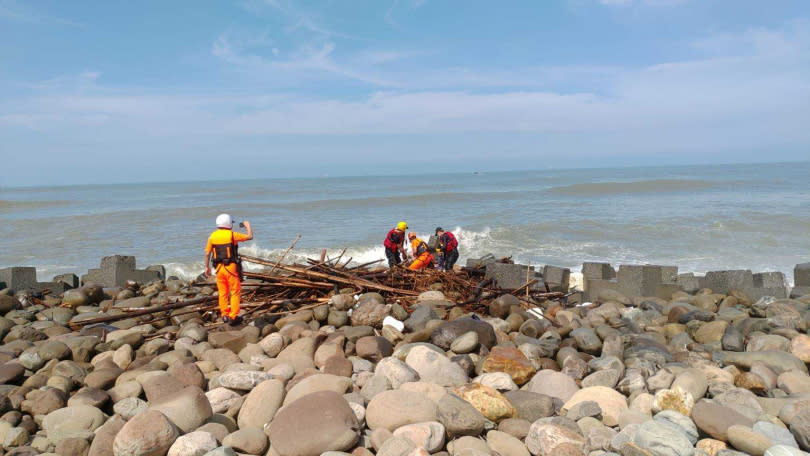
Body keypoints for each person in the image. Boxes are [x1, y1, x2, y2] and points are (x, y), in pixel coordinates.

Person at [205, 214, 253, 324]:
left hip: (218, 269)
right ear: (229, 224)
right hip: (231, 268)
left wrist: (206, 267)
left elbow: (207, 253)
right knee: (235, 292)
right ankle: (233, 316)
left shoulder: (212, 236)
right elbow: (250, 237)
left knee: (222, 292)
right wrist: (248, 226)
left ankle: (224, 315)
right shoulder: (232, 235)